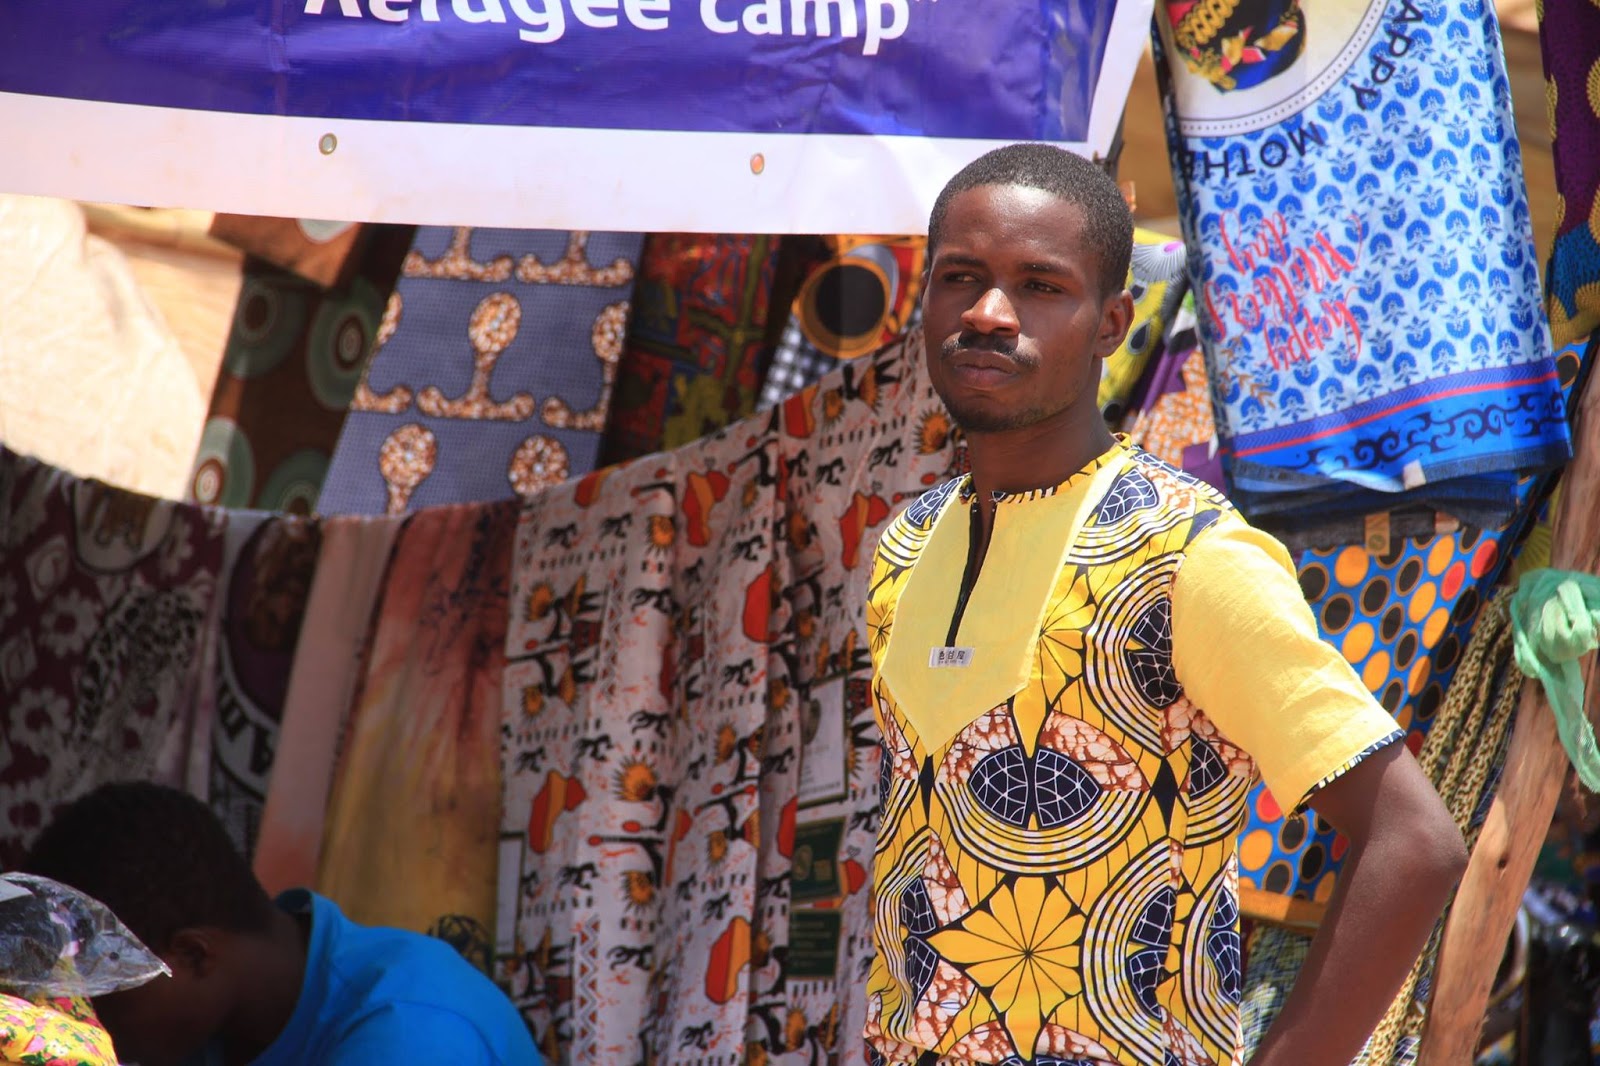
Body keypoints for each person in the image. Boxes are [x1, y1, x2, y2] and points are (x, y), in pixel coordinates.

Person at [863, 143, 1468, 1066]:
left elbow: (1413, 842)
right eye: (961, 278)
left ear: (1111, 323)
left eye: (1039, 286)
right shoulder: (907, 546)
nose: (989, 313)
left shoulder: (1187, 555)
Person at [21, 782, 542, 1066]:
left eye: (102, 1000)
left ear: (193, 955)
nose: (86, 1027)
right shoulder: (214, 1027)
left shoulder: (411, 1031)